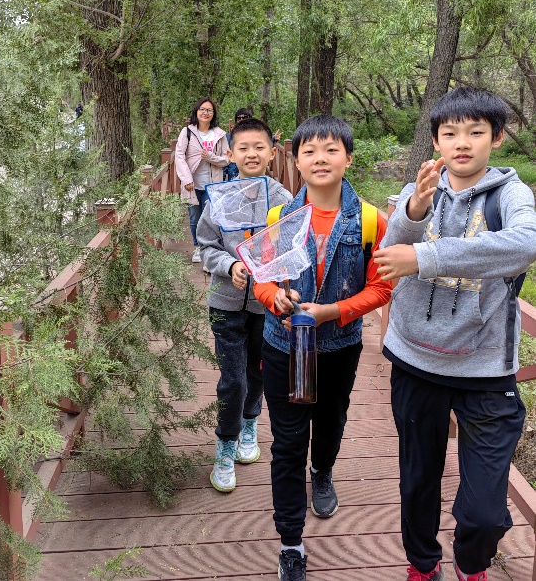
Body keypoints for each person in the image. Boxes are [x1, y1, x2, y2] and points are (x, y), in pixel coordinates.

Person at [374, 87, 536, 581]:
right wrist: (413, 211)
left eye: (475, 132)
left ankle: (471, 562)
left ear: (497, 137)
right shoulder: (419, 186)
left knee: (484, 510)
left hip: (485, 368)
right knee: (418, 481)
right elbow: (389, 256)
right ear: (436, 140)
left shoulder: (510, 194)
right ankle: (422, 564)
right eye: (450, 133)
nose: (461, 143)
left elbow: (526, 243)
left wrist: (427, 256)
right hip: (415, 360)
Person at [253, 114, 393, 581]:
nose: (320, 159)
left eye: (331, 149)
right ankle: (291, 543)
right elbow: (262, 279)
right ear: (295, 160)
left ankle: (324, 470)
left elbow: (381, 289)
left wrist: (332, 311)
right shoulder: (279, 218)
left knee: (330, 423)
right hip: (285, 347)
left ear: (348, 158)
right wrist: (275, 298)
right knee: (288, 442)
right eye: (309, 151)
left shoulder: (371, 221)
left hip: (338, 348)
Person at [196, 118, 293, 492]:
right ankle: (225, 444)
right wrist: (230, 265)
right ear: (230, 154)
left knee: (258, 373)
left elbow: (293, 249)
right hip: (226, 303)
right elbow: (206, 246)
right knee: (233, 378)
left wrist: (275, 280)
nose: (251, 154)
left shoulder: (284, 200)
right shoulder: (218, 198)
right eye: (243, 148)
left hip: (266, 306)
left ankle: (250, 423)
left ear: (272, 152)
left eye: (259, 147)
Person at [174, 98, 229, 265]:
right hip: (192, 184)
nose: (205, 113)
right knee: (194, 218)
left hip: (213, 185)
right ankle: (198, 247)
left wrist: (211, 157)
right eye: (202, 109)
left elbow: (227, 158)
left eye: (209, 110)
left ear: (213, 114)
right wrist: (186, 179)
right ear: (196, 111)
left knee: (211, 218)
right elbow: (179, 156)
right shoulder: (187, 132)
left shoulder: (220, 134)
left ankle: (209, 249)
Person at [223, 108, 253, 181]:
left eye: (245, 117)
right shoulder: (229, 137)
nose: (242, 120)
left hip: (251, 170)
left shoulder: (255, 135)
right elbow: (225, 155)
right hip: (234, 172)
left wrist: (273, 139)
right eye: (239, 118)